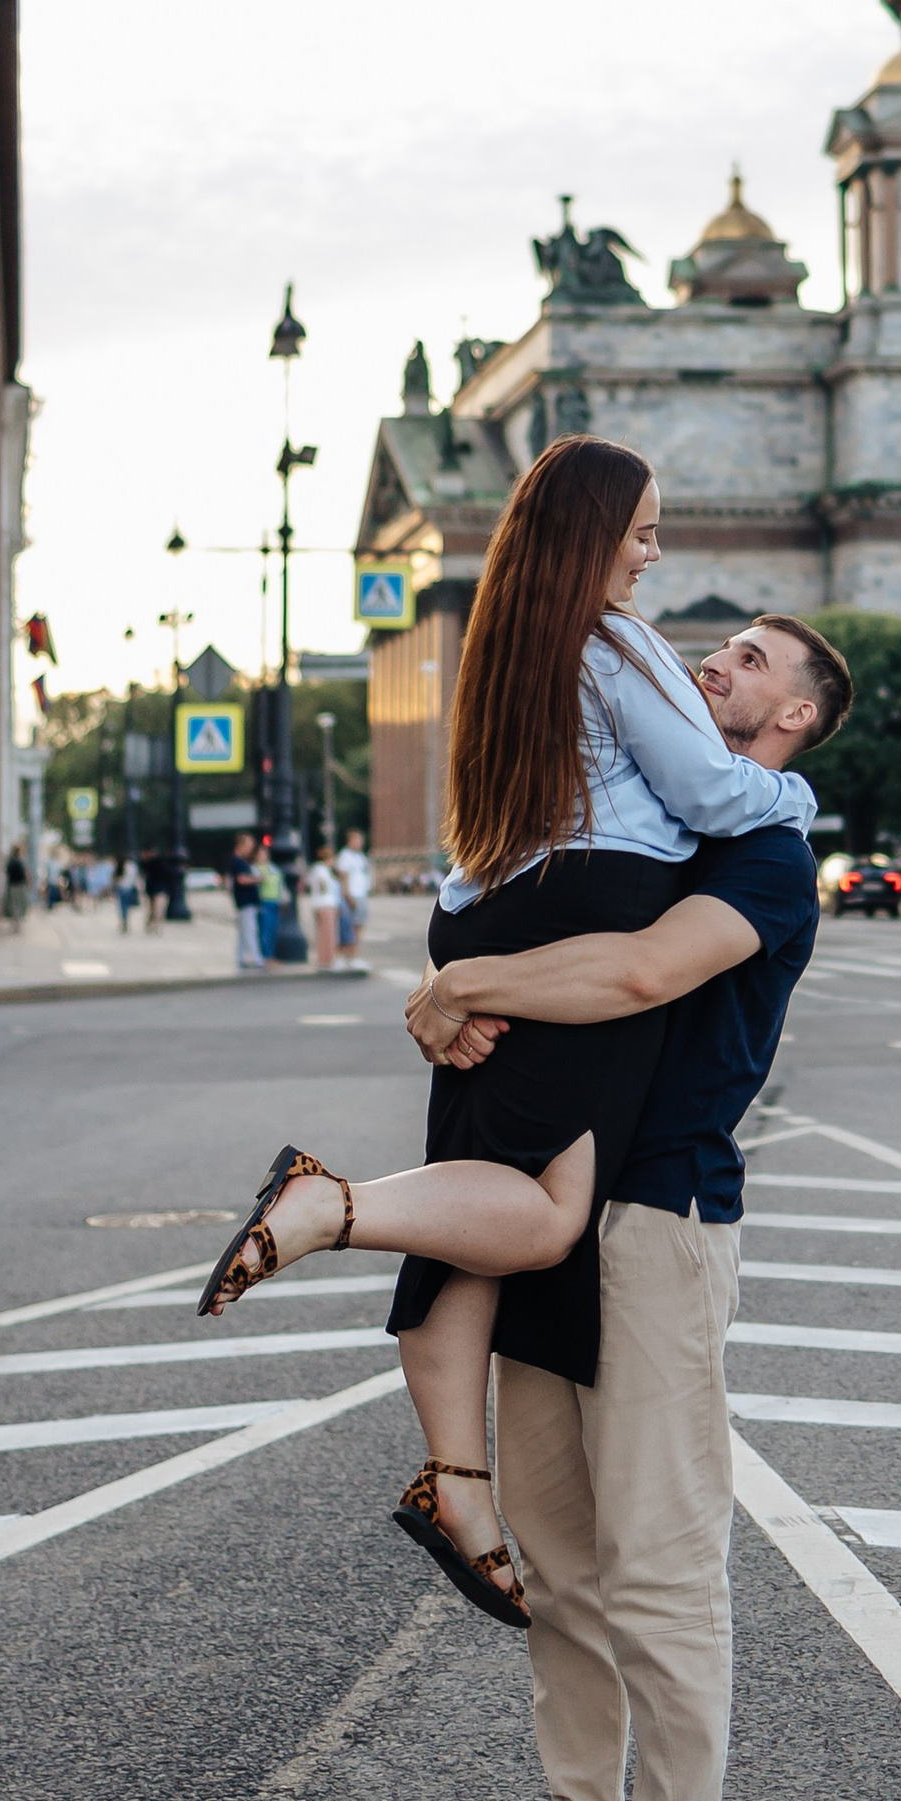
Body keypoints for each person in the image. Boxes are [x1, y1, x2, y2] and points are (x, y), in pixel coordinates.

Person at [193, 436, 813, 1629]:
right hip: (589, 906)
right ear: (591, 535)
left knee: (469, 1208)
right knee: (536, 1218)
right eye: (639, 530)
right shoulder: (616, 635)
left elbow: (483, 821)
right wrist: (796, 795)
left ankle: (457, 1483)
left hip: (486, 903)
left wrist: (453, 974)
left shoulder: (504, 641)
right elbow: (706, 792)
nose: (652, 552)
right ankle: (331, 1206)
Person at [402, 606, 847, 1801]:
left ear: (797, 724)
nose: (717, 658)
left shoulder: (767, 858)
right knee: (560, 1547)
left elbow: (640, 974)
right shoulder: (655, 826)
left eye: (756, 660)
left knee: (658, 1555)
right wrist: (455, 976)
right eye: (719, 644)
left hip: (660, 1216)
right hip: (551, 1217)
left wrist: (466, 982)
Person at [302, 844, 342, 971]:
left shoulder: (316, 869)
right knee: (329, 933)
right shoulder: (322, 870)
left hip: (319, 904)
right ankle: (329, 959)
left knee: (322, 933)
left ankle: (323, 958)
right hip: (326, 904)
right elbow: (323, 886)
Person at [229, 832, 263, 973]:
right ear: (241, 846)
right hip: (246, 901)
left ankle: (241, 957)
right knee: (250, 930)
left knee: (243, 932)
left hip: (244, 901)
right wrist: (257, 879)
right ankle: (255, 958)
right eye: (249, 846)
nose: (250, 849)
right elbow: (241, 879)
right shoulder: (239, 862)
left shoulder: (239, 861)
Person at [336, 825, 372, 955]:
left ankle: (354, 954)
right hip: (352, 896)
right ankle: (347, 954)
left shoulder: (360, 856)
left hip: (361, 894)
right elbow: (343, 878)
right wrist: (348, 896)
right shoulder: (345, 856)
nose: (360, 842)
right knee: (350, 927)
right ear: (350, 841)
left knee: (359, 926)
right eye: (357, 840)